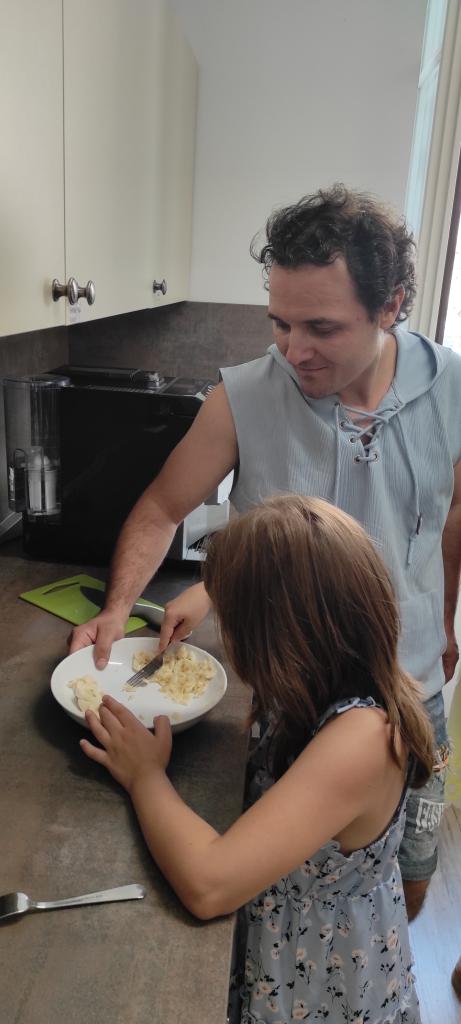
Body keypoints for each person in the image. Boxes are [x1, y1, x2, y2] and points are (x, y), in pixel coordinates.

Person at [70, 184, 461, 921]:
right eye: (279, 322)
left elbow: (448, 516)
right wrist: (118, 609)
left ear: (390, 306)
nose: (293, 350)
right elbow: (162, 508)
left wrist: (443, 620)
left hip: (411, 687)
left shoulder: (453, 390)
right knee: (278, 892)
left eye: (321, 327)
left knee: (408, 878)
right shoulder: (243, 398)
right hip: (289, 696)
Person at [80, 495, 435, 1024]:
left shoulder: (363, 739)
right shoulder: (321, 677)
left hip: (323, 984)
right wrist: (212, 587)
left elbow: (209, 885)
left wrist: (145, 775)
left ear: (277, 635)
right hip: (284, 951)